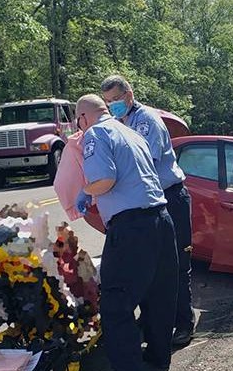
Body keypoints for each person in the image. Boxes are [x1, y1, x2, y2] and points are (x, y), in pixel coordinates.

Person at [75, 94, 178, 371]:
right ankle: (159, 356)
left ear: (83, 117)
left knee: (116, 301)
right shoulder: (130, 131)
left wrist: (85, 190)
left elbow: (104, 179)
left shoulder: (96, 133)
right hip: (161, 218)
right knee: (159, 294)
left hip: (131, 227)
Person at [100, 75, 195, 346]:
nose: (112, 106)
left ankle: (184, 323)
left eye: (116, 100)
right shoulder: (121, 122)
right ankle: (154, 319)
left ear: (129, 95)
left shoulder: (146, 121)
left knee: (176, 266)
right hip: (150, 204)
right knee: (148, 268)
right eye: (107, 102)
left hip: (170, 198)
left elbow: (144, 165)